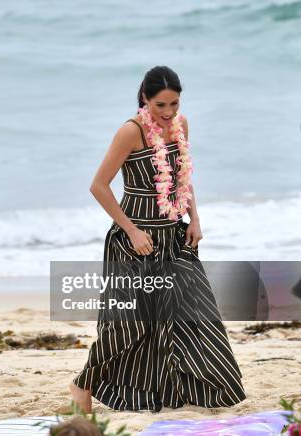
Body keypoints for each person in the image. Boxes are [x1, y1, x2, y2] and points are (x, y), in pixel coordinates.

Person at [69, 66, 246, 412]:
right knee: (129, 323)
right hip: (134, 241)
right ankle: (82, 383)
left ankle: (189, 392)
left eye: (174, 104)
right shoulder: (130, 132)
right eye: (160, 105)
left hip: (175, 237)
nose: (167, 113)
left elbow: (183, 176)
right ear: (145, 99)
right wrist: (132, 230)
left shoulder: (181, 126)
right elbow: (98, 186)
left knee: (194, 315)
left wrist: (194, 218)